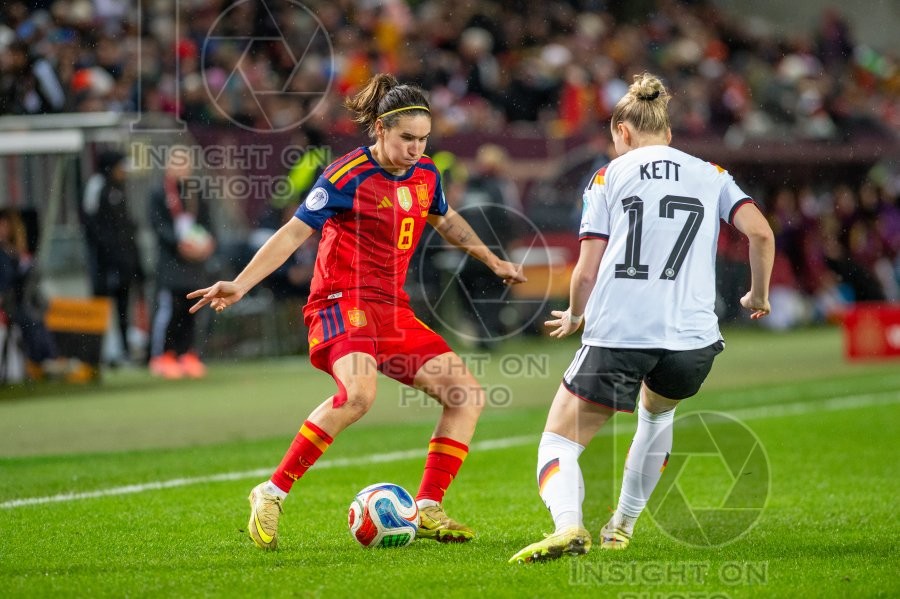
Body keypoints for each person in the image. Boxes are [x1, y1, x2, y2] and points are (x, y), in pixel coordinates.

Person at [188, 73, 526, 550]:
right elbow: (292, 233)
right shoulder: (346, 175)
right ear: (380, 130)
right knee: (359, 396)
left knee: (465, 395)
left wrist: (491, 260)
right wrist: (241, 284)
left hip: (392, 308)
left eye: (423, 139)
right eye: (406, 138)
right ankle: (270, 491)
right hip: (340, 301)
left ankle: (428, 506)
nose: (415, 148)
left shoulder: (427, 173)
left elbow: (445, 218)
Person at [509, 73, 774, 563]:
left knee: (557, 442)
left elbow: (587, 268)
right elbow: (760, 234)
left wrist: (575, 313)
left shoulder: (611, 175)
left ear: (622, 132)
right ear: (669, 134)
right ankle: (622, 528)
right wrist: (757, 295)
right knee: (657, 416)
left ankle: (570, 526)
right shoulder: (710, 173)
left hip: (622, 330)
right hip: (691, 338)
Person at [148, 148, 216, 379]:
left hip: (194, 264)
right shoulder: (158, 192)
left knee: (193, 310)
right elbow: (158, 226)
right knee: (170, 309)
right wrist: (179, 243)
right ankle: (163, 355)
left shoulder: (197, 191)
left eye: (185, 162)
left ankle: (188, 354)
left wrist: (207, 243)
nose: (181, 167)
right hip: (171, 262)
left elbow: (207, 222)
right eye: (177, 162)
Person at [82, 150, 144, 364]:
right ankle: (95, 354)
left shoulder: (119, 188)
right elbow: (92, 226)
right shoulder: (97, 185)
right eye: (120, 167)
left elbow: (126, 228)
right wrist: (109, 255)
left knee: (123, 308)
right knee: (100, 307)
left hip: (122, 263)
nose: (123, 172)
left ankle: (123, 351)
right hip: (103, 263)